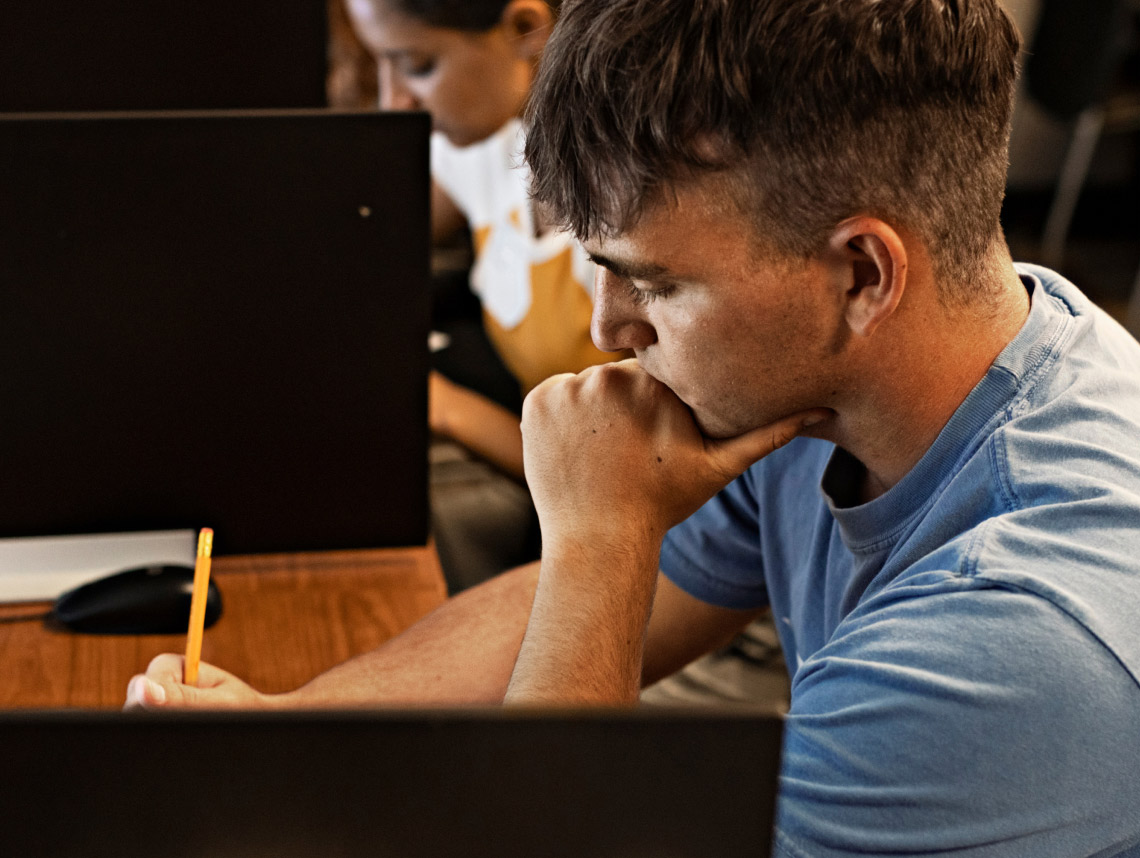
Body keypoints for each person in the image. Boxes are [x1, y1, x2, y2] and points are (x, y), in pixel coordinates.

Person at [127, 0, 1140, 854]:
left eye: (653, 282)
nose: (609, 331)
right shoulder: (824, 387)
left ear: (864, 274)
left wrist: (599, 532)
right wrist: (284, 726)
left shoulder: (1021, 638)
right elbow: (644, 596)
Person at [342, 0, 621, 592]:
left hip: (639, 536)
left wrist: (448, 411)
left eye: (415, 65)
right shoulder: (494, 143)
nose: (397, 100)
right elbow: (364, 237)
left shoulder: (623, 215)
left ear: (524, 29)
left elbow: (621, 485)